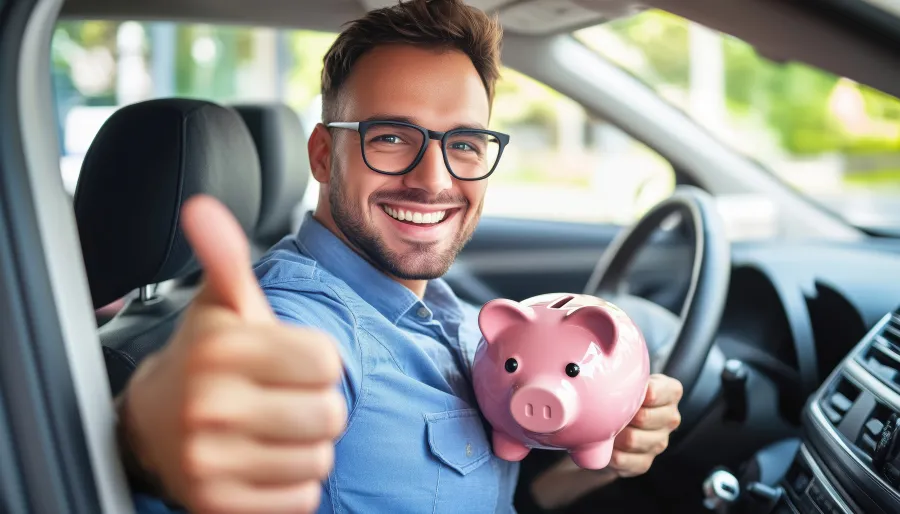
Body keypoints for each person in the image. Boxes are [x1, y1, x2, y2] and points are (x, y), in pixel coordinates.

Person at [119, 1, 684, 513]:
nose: (432, 180)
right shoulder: (296, 328)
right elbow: (223, 419)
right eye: (390, 137)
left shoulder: (454, 311)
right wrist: (143, 449)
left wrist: (602, 456)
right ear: (323, 154)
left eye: (463, 144)